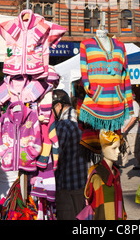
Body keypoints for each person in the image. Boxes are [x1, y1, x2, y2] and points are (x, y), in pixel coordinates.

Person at [52, 89, 88, 220]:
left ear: (59, 106)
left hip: (67, 186)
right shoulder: (81, 120)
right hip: (83, 183)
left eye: (52, 108)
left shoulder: (63, 125)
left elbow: (55, 157)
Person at [83, 130, 126, 220]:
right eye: (114, 148)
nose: (118, 152)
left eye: (118, 147)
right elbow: (99, 211)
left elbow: (120, 205)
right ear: (103, 149)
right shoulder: (97, 177)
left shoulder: (116, 173)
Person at [121, 93, 140, 170]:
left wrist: (126, 127)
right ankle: (123, 163)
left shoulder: (134, 105)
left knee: (135, 149)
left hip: (132, 131)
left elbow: (134, 118)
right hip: (126, 130)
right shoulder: (127, 105)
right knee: (124, 147)